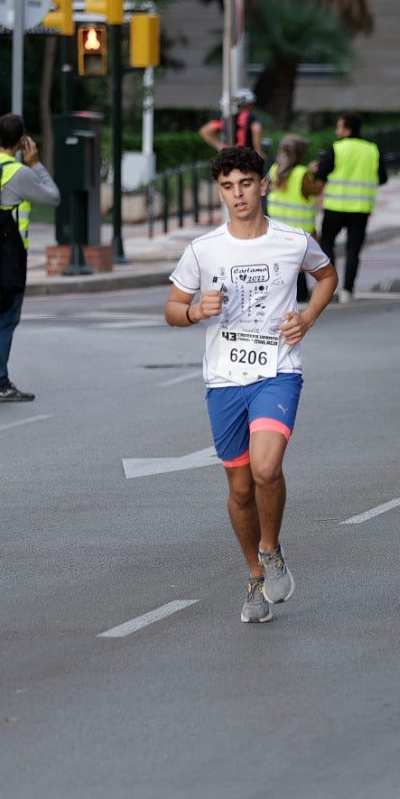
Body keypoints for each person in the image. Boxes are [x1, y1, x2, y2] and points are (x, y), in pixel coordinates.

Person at [164, 146, 338, 623]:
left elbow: (327, 276)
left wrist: (307, 317)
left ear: (263, 184)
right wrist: (196, 310)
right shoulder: (203, 250)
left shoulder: (293, 240)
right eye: (227, 186)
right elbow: (172, 308)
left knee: (265, 469)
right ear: (220, 191)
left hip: (277, 372)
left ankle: (271, 548)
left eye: (245, 183)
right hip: (224, 379)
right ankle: (257, 575)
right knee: (240, 489)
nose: (237, 195)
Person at [0, 114, 61, 403]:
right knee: (6, 315)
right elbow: (53, 197)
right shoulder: (20, 173)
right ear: (23, 141)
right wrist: (36, 164)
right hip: (10, 254)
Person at [313, 113, 387, 303]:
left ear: (347, 130)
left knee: (327, 244)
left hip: (335, 207)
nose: (337, 131)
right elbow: (383, 177)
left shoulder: (336, 149)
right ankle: (348, 290)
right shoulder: (372, 150)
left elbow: (320, 175)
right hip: (361, 208)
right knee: (353, 249)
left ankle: (329, 285)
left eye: (339, 127)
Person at [265, 134, 321, 303]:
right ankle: (301, 295)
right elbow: (315, 190)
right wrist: (317, 174)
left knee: (284, 266)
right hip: (300, 231)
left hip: (278, 229)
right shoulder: (301, 174)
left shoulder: (274, 170)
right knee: (300, 268)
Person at [198, 88, 264, 159]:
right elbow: (256, 129)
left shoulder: (229, 119)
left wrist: (219, 145)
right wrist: (258, 151)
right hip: (247, 157)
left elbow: (204, 130)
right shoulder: (252, 117)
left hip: (230, 157)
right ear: (251, 104)